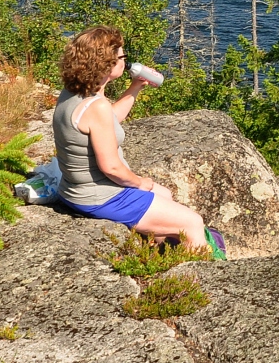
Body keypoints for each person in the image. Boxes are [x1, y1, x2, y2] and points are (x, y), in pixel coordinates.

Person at [55, 26, 226, 259]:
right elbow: (111, 167)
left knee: (165, 194)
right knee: (193, 223)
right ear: (108, 63)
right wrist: (140, 182)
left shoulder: (75, 93)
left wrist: (135, 87)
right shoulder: (96, 106)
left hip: (73, 190)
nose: (125, 61)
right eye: (122, 57)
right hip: (99, 196)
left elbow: (110, 120)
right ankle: (199, 282)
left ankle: (159, 256)